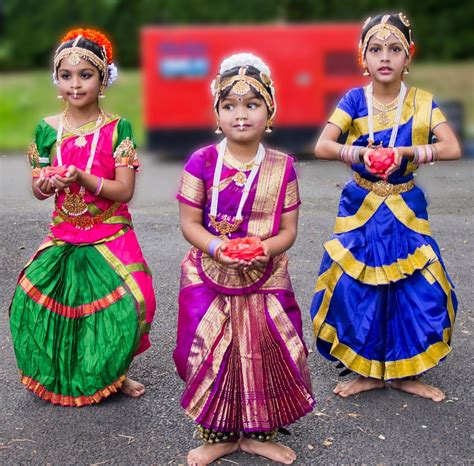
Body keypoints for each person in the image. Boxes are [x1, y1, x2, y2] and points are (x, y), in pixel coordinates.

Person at [310, 13, 461, 402]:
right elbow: (322, 146)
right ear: (363, 57)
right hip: (361, 205)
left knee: (414, 287)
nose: (385, 57)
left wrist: (407, 152)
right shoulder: (354, 100)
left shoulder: (422, 102)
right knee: (358, 288)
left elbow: (452, 147)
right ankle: (367, 372)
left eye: (395, 49)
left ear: (408, 57)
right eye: (375, 49)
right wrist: (360, 152)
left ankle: (408, 371)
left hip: (405, 206)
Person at [174, 53, 315, 465]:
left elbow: (288, 231)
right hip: (208, 268)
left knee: (266, 347)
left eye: (252, 105)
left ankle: (258, 432)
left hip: (265, 272)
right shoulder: (200, 161)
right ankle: (217, 433)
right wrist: (219, 248)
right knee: (209, 350)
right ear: (216, 114)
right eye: (229, 106)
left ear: (270, 112)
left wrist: (261, 249)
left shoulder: (283, 166)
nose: (240, 115)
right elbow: (189, 223)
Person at [9, 28, 156, 406]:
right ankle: (66, 371)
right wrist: (47, 184)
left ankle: (115, 371)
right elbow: (37, 190)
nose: (75, 85)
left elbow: (124, 191)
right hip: (65, 232)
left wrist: (82, 177)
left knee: (135, 300)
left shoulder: (117, 128)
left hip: (110, 231)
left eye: (86, 75)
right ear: (56, 80)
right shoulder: (46, 130)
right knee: (38, 300)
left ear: (104, 78)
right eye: (66, 75)